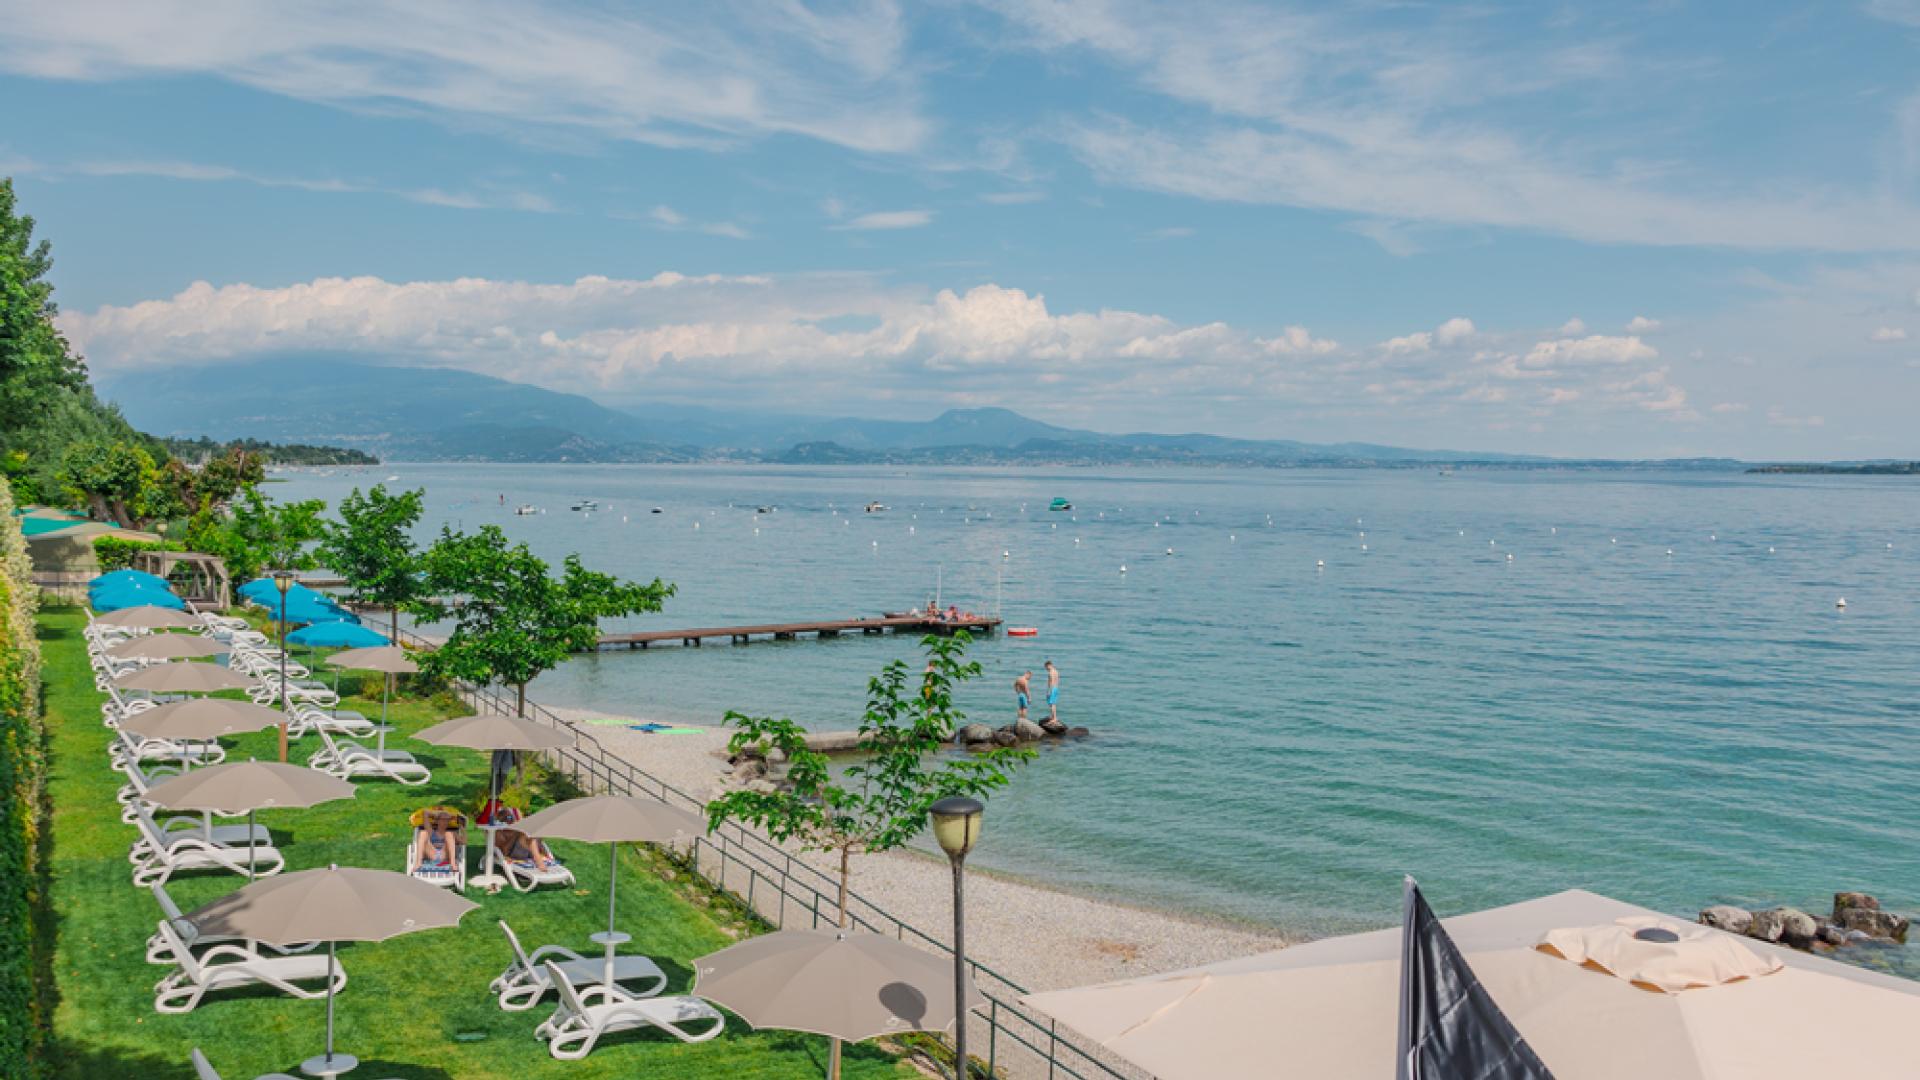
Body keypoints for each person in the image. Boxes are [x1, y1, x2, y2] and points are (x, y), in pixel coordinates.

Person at [1044, 659, 1062, 724]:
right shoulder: (1056, 671)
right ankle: (1054, 717)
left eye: (1046, 667)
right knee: (1053, 703)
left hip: (1052, 689)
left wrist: (1049, 691)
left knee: (1052, 704)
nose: (1046, 669)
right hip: (1056, 688)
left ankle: (1054, 718)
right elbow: (1058, 680)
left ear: (1049, 665)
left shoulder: (1050, 672)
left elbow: (1051, 682)